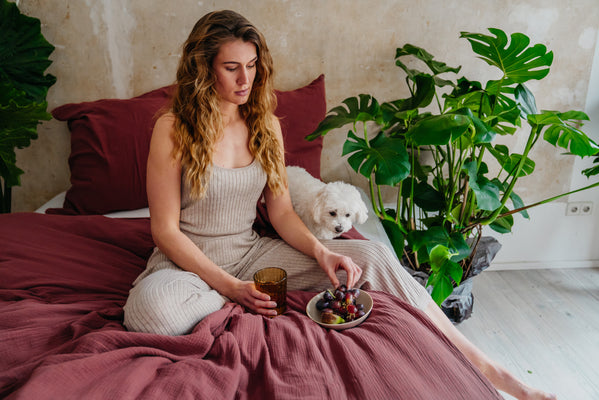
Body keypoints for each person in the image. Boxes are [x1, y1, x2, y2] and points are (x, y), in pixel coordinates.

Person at [123, 10, 556, 400]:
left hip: (252, 254)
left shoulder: (265, 124)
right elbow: (164, 230)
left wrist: (323, 252)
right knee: (151, 313)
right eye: (231, 68)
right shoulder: (173, 128)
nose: (245, 80)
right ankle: (228, 302)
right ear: (203, 69)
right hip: (186, 264)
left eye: (252, 66)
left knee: (369, 255)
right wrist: (231, 288)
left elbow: (280, 213)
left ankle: (490, 369)